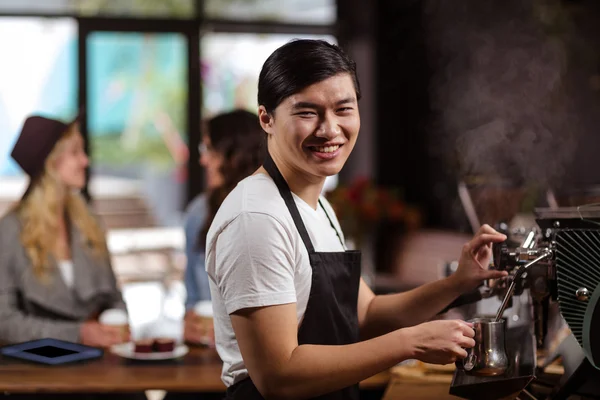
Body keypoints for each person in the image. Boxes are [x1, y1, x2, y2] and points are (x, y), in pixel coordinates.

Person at [205, 39, 509, 400]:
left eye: (343, 109)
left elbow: (367, 313)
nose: (330, 129)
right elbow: (279, 375)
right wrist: (410, 342)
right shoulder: (256, 218)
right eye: (307, 112)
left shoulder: (317, 205)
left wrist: (458, 282)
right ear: (266, 119)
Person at [0, 115, 130, 348]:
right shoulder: (9, 231)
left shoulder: (89, 224)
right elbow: (5, 322)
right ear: (50, 163)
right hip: (37, 370)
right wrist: (77, 334)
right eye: (75, 152)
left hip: (99, 364)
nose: (85, 161)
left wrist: (117, 322)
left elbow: (114, 299)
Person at [183, 109, 265, 345]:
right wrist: (189, 322)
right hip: (208, 354)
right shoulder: (197, 213)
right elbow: (192, 297)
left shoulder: (272, 209)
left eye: (209, 149)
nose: (203, 160)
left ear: (236, 154)